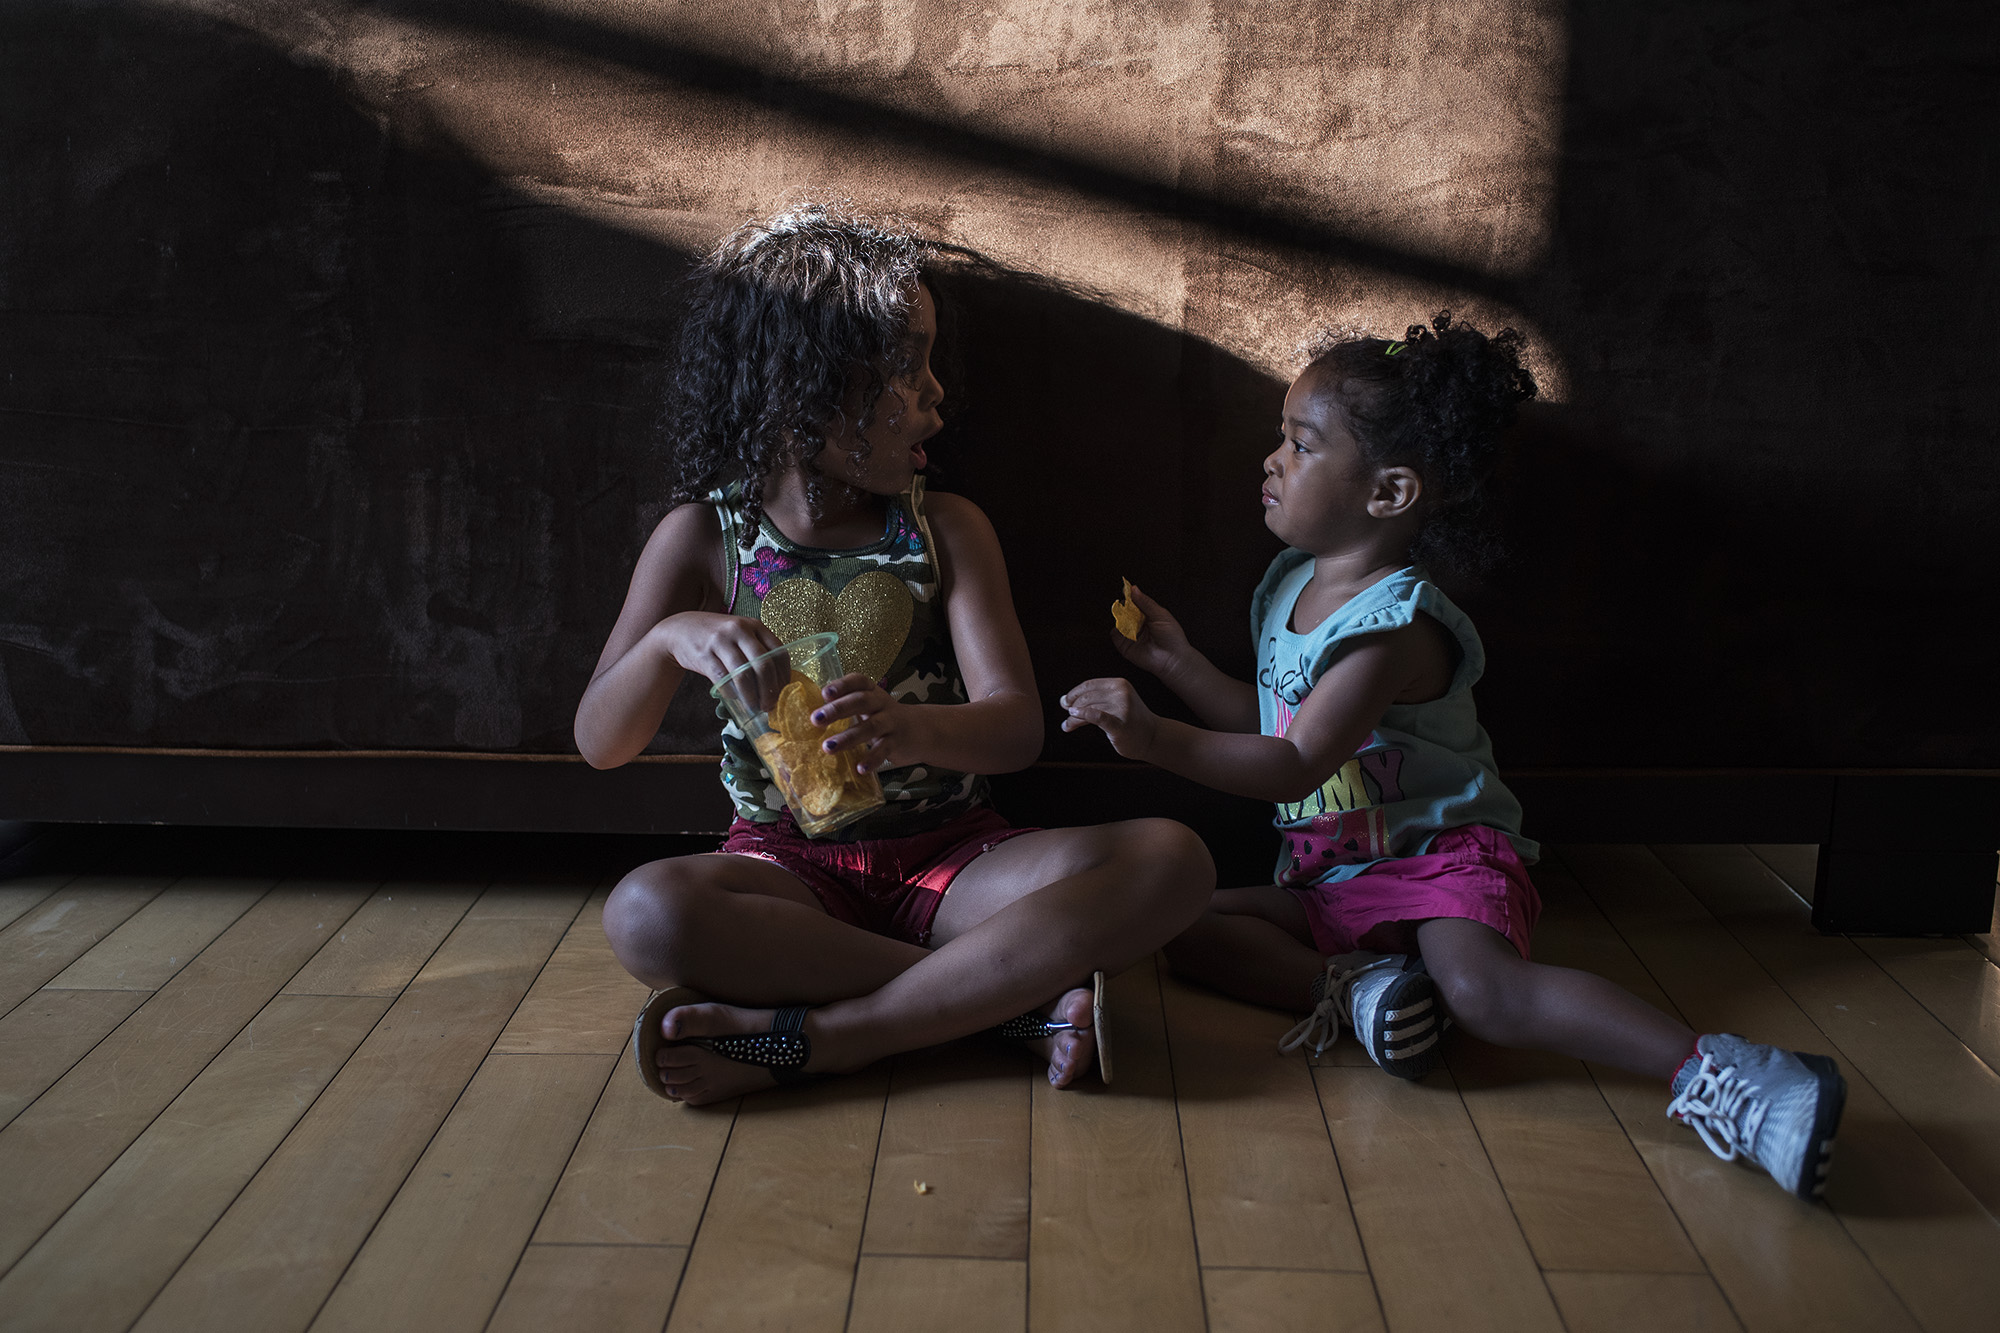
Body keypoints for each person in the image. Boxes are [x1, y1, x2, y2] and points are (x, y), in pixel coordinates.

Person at [1058, 314, 1847, 1200]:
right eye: (1282, 439)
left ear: (1390, 492)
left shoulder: (1391, 626)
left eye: (1301, 443)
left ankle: (1721, 1076)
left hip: (1439, 862)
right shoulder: (1289, 583)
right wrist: (1180, 667)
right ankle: (1362, 992)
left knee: (1484, 995)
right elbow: (1276, 726)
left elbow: (1293, 767)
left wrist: (1154, 737)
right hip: (1335, 877)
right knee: (1189, 924)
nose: (1271, 459)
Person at [577, 205, 1214, 1106]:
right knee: (645, 913)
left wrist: (909, 727)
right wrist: (670, 639)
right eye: (908, 367)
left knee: (1173, 858)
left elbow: (1016, 731)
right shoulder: (700, 539)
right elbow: (601, 739)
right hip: (783, 870)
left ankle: (839, 1036)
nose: (936, 394)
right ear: (808, 390)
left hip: (955, 862)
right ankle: (996, 1001)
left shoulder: (945, 529)